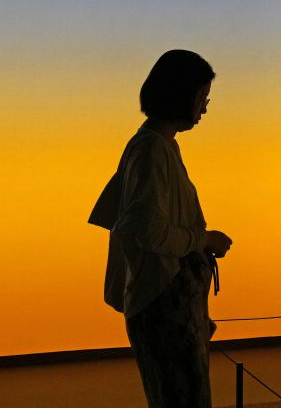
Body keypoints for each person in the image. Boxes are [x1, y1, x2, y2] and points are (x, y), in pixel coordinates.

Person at [89, 49, 233, 407]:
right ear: (180, 95)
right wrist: (203, 239)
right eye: (201, 98)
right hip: (164, 307)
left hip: (171, 306)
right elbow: (148, 231)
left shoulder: (159, 145)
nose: (204, 108)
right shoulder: (152, 150)